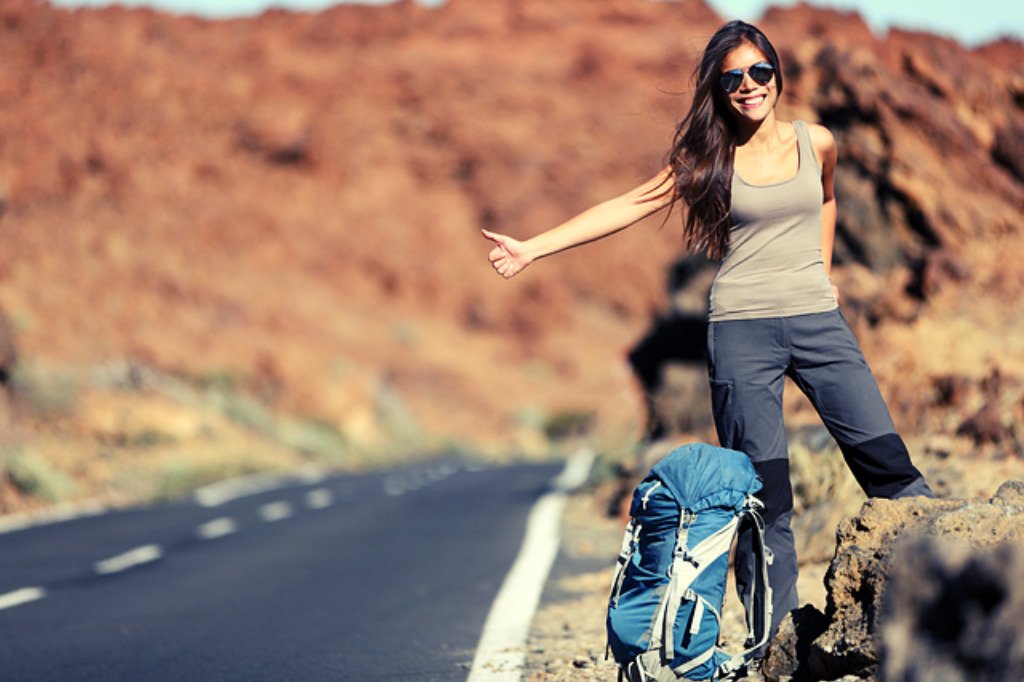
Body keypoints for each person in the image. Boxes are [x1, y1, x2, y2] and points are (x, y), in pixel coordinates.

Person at [481, 20, 933, 638]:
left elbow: (826, 200)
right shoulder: (708, 160)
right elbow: (629, 205)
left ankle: (944, 594)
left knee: (887, 462)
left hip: (818, 323)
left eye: (759, 72)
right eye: (733, 79)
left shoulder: (817, 142)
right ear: (719, 91)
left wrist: (822, 273)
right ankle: (774, 639)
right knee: (764, 497)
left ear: (777, 75)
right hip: (742, 334)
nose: (749, 86)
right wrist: (533, 247)